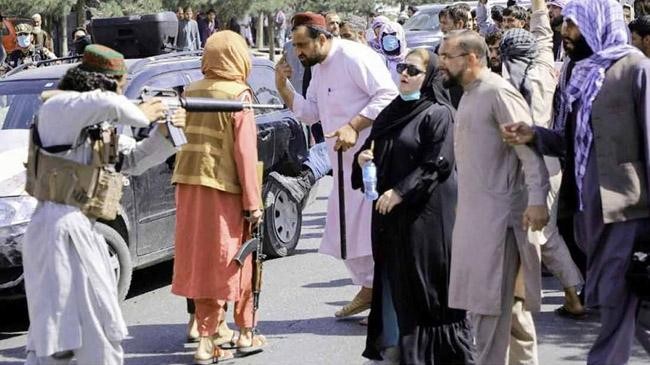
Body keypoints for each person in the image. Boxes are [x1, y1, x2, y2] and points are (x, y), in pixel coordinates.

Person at [501, 0, 650, 363]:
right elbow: (570, 142)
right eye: (565, 23)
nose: (563, 32)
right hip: (588, 214)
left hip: (627, 213)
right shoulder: (580, 73)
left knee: (615, 304)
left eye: (572, 24)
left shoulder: (636, 69)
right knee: (635, 306)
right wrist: (533, 135)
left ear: (596, 23)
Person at [22, 44, 185, 365]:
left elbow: (134, 160)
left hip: (86, 230)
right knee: (57, 335)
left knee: (96, 330)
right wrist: (142, 109)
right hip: (56, 230)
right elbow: (103, 101)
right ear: (104, 82)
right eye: (121, 84)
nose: (123, 92)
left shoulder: (97, 126)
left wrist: (165, 132)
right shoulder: (59, 110)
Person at [353, 47, 476, 365]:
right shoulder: (392, 110)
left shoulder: (439, 113)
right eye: (401, 68)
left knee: (426, 287)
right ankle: (403, 349)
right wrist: (362, 159)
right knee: (396, 282)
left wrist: (401, 192)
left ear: (430, 76)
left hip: (426, 217)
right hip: (390, 218)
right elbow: (373, 149)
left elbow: (437, 164)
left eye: (412, 70)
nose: (404, 74)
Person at [275, 12, 398, 322]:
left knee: (369, 232)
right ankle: (370, 289)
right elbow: (311, 113)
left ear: (322, 39)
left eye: (303, 45)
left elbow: (388, 95)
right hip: (340, 166)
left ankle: (385, 299)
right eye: (295, 45)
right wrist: (283, 87)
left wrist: (354, 126)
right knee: (343, 233)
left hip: (369, 161)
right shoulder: (319, 68)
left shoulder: (355, 56)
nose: (298, 52)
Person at [440, 30, 550, 365]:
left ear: (471, 58)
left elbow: (529, 152)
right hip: (476, 220)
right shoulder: (471, 93)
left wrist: (537, 200)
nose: (441, 63)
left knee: (487, 311)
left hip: (499, 222)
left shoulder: (498, 92)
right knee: (511, 313)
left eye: (448, 57)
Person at [171, 30, 265, 364]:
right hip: (223, 189)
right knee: (234, 261)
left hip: (187, 186)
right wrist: (254, 203)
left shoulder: (190, 90)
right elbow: (244, 152)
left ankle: (209, 335)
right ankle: (234, 334)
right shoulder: (239, 94)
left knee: (202, 262)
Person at [501, 0, 586, 320]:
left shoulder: (515, 85)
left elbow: (521, 136)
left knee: (544, 232)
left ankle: (573, 294)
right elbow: (539, 32)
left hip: (536, 163)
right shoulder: (543, 64)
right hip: (555, 161)